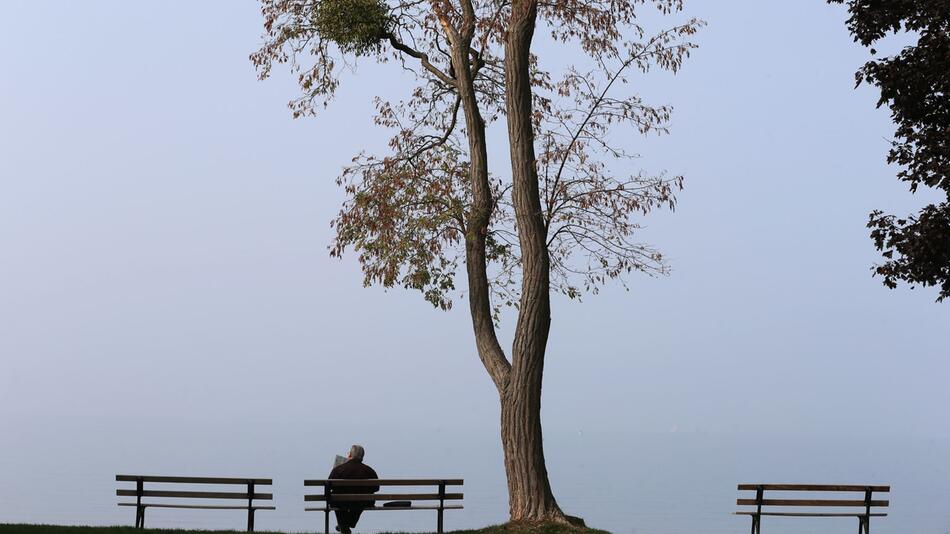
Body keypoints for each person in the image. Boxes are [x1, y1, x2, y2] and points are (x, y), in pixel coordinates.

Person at [328, 444, 379, 534]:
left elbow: (329, 486)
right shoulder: (369, 470)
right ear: (362, 457)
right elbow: (376, 488)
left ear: (350, 455)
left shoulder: (338, 469)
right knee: (361, 500)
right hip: (361, 502)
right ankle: (349, 523)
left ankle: (344, 526)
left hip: (340, 502)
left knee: (336, 499)